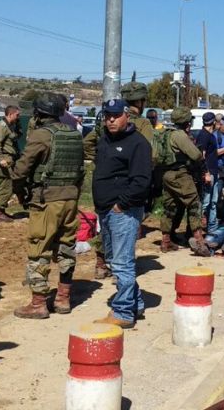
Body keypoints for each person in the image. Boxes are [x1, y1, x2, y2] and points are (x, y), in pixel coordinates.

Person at [11, 92, 85, 319]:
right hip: (70, 199)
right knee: (66, 247)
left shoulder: (41, 135)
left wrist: (19, 189)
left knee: (39, 248)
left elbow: (22, 170)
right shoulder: (73, 134)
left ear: (38, 113)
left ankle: (38, 303)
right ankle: (63, 298)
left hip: (47, 200)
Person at [91, 99, 152, 328]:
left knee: (122, 262)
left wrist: (122, 205)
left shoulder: (138, 144)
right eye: (107, 115)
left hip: (123, 212)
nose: (111, 120)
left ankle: (123, 312)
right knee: (112, 258)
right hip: (105, 210)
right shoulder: (105, 139)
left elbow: (141, 181)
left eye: (115, 115)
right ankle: (134, 304)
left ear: (126, 115)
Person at [159, 107, 206, 253]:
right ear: (187, 122)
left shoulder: (166, 134)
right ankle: (199, 241)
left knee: (170, 207)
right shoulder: (180, 135)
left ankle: (166, 241)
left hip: (167, 175)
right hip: (180, 174)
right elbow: (196, 155)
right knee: (194, 204)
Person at [0, 105, 22, 222]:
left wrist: (18, 124)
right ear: (10, 114)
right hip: (5, 159)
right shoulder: (2, 126)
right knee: (6, 185)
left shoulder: (11, 127)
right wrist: (0, 158)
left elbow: (17, 136)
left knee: (9, 184)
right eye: (17, 115)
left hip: (11, 159)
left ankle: (1, 211)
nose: (18, 117)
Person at [195, 112, 220, 234]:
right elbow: (201, 156)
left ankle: (212, 229)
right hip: (209, 173)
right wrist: (206, 173)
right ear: (213, 122)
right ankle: (197, 229)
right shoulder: (204, 136)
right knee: (205, 202)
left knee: (213, 202)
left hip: (214, 172)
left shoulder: (210, 135)